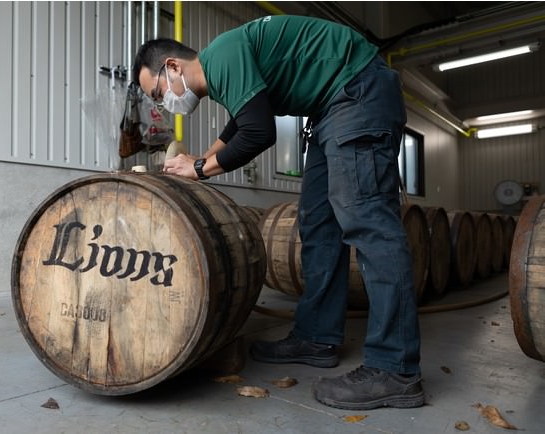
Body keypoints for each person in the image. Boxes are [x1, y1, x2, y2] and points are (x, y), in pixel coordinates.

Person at [132, 14, 423, 411]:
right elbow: (240, 123)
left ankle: (396, 369)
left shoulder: (222, 55)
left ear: (172, 66)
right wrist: (203, 158)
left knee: (368, 223)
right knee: (319, 226)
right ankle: (317, 337)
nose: (164, 102)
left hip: (357, 92)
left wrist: (200, 169)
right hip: (329, 109)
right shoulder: (223, 70)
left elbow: (259, 131)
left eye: (158, 92)